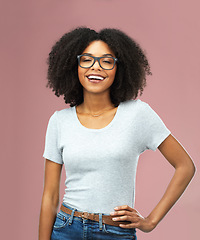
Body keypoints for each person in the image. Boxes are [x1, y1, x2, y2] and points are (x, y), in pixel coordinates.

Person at [38, 27, 195, 240]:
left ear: (118, 68)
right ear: (74, 65)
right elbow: (50, 196)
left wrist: (151, 221)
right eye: (87, 59)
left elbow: (185, 166)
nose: (96, 67)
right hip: (67, 228)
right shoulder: (59, 121)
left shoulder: (138, 114)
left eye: (107, 61)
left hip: (115, 232)